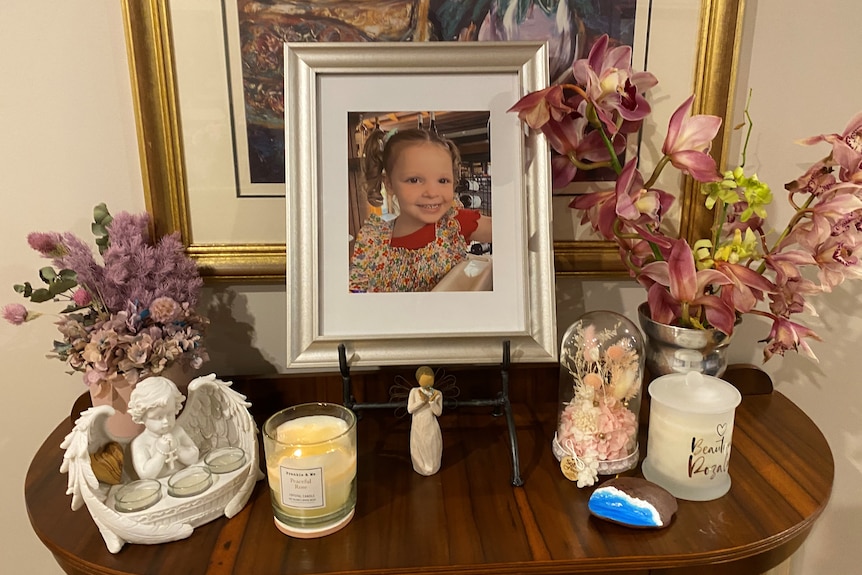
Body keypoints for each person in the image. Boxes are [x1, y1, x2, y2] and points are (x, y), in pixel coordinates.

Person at [349, 127, 492, 292]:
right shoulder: (372, 240)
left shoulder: (454, 223)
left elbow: (514, 230)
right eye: (414, 180)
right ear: (389, 184)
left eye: (443, 180)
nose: (432, 193)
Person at [127, 376, 200, 480]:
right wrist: (160, 453)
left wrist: (177, 448)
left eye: (170, 414)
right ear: (141, 416)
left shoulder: (178, 431)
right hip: (160, 488)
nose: (166, 421)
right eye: (158, 417)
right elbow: (146, 475)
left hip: (186, 478)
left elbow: (194, 457)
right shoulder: (140, 443)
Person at [407, 366, 443, 476]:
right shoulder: (414, 391)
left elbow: (438, 412)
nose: (427, 384)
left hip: (430, 424)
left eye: (430, 381)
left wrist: (432, 402)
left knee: (431, 444)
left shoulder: (437, 393)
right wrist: (422, 402)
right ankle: (420, 465)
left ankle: (432, 466)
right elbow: (410, 409)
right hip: (418, 424)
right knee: (418, 445)